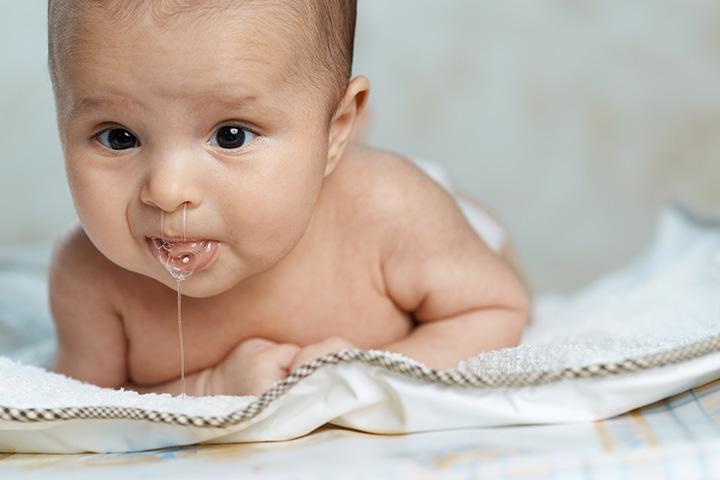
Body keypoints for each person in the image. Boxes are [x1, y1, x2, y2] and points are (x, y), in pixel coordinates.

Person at [46, 0, 530, 396]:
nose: (168, 192)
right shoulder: (91, 279)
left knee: (466, 228)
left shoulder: (388, 211)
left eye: (231, 135)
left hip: (415, 206)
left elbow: (496, 310)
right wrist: (210, 387)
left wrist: (369, 373)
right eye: (118, 137)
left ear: (335, 130)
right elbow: (90, 409)